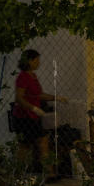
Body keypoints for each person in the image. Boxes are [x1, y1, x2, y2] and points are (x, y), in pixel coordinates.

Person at [11, 49, 67, 177]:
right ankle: (22, 173)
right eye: (36, 60)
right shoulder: (23, 77)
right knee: (26, 146)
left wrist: (56, 97)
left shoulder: (33, 76)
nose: (38, 63)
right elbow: (19, 98)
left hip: (33, 117)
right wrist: (33, 108)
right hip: (24, 117)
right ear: (29, 61)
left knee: (41, 142)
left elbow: (38, 95)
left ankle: (48, 173)